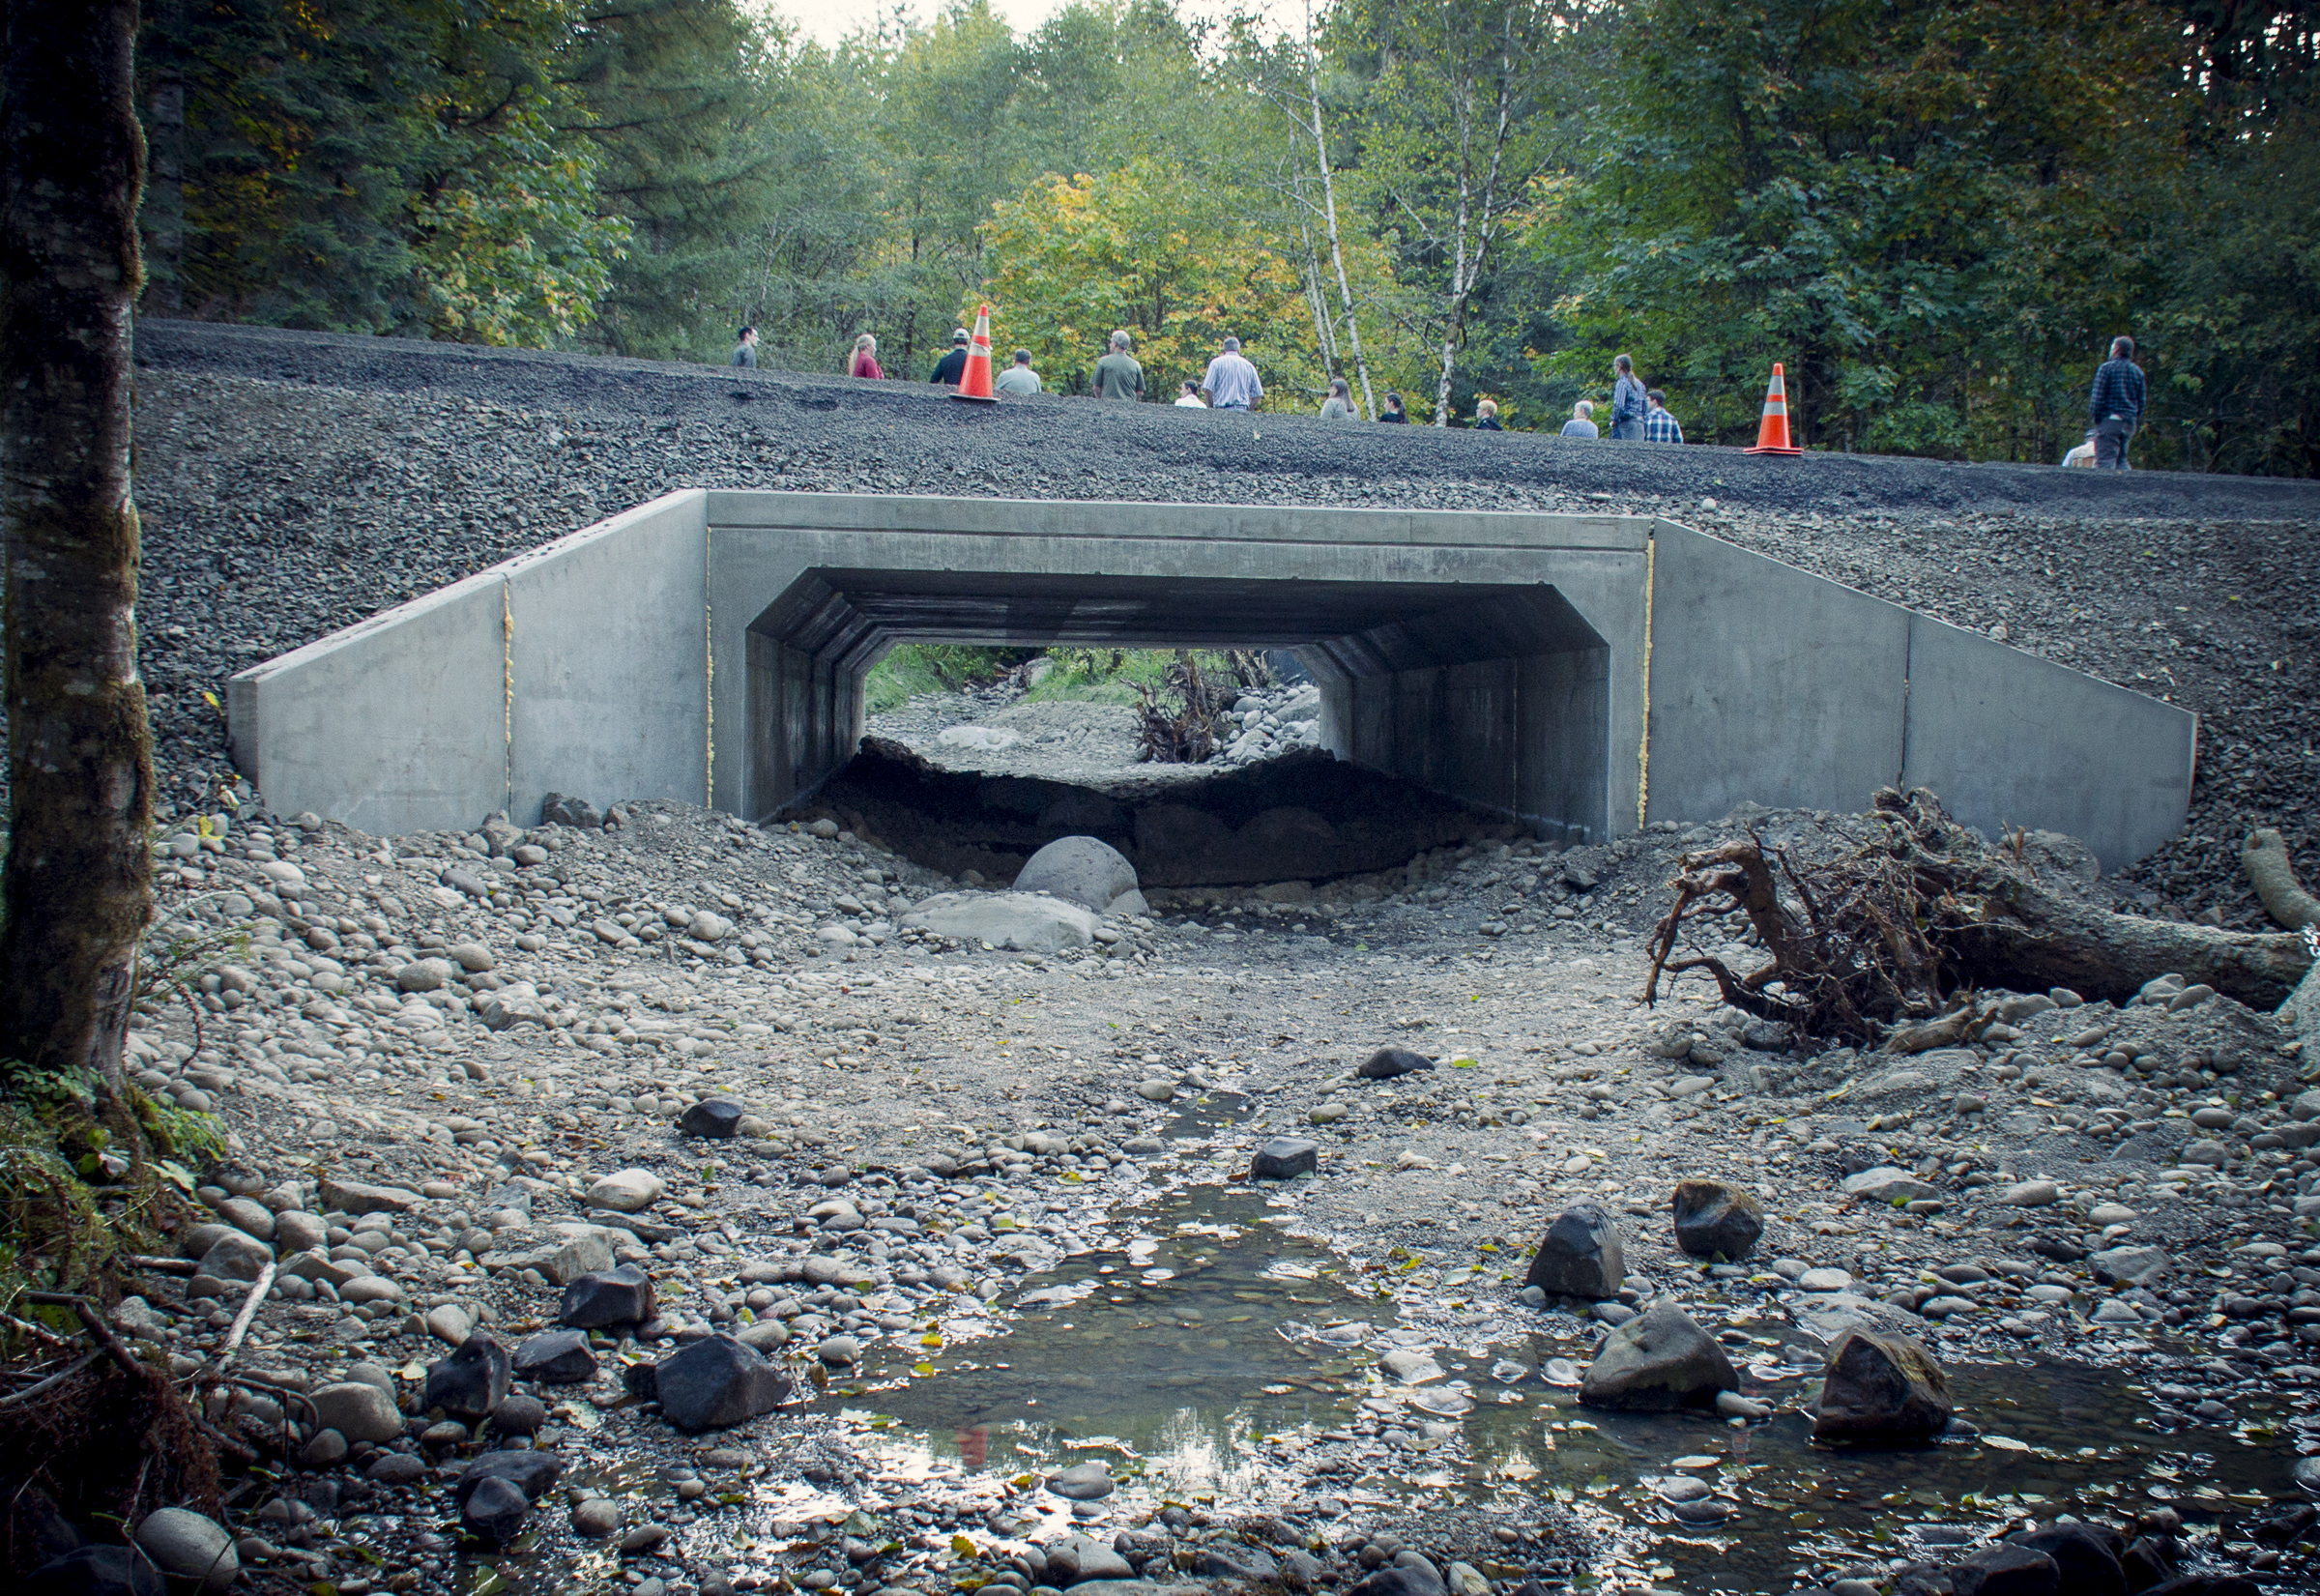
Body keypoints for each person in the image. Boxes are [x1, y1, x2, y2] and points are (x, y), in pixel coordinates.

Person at [2088, 334, 2146, 470]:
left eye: (2112, 346)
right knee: (2122, 460)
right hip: (2129, 422)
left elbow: (2097, 399)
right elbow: (2141, 401)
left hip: (2110, 420)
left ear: (2116, 349)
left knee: (2105, 461)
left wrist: (2098, 420)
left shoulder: (2106, 368)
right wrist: (2132, 418)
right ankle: (2127, 489)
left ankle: (2104, 490)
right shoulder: (2138, 372)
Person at [1201, 334, 1263, 411]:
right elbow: (1258, 394)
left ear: (1224, 350)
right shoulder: (1249, 366)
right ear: (1238, 350)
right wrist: (1248, 411)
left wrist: (1212, 408)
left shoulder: (1216, 363)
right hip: (1242, 409)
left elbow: (1207, 389)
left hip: (1221, 409)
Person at [1091, 331, 1146, 401]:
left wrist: (1101, 401)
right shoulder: (1136, 365)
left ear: (1115, 344)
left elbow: (1096, 388)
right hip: (1129, 407)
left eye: (1111, 342)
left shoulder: (1103, 361)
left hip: (1107, 405)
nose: (1110, 344)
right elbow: (1140, 392)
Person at [1608, 354, 1646, 440]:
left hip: (1626, 425)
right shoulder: (1640, 384)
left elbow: (1619, 406)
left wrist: (1614, 419)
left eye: (1614, 365)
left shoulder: (1622, 383)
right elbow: (1644, 406)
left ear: (1620, 365)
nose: (1614, 368)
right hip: (1639, 425)